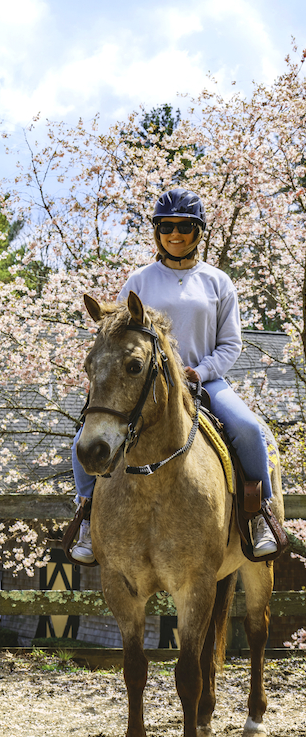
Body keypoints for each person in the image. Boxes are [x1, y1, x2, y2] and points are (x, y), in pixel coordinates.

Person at [70, 188, 278, 564]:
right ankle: (86, 517)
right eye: (167, 226)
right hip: (148, 387)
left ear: (198, 232)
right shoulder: (139, 280)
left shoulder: (218, 282)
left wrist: (199, 371)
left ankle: (260, 514)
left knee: (248, 429)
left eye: (184, 226)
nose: (175, 234)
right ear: (157, 231)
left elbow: (231, 344)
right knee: (80, 443)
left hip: (206, 382)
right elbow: (116, 337)